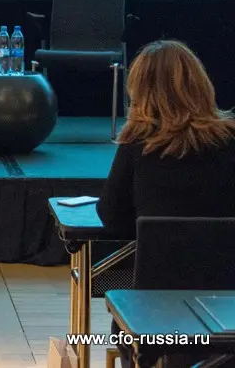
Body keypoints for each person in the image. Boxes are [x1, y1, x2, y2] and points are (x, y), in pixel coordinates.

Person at [97, 40, 235, 368]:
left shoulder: (136, 146)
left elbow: (111, 219)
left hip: (153, 320)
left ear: (140, 92)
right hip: (226, 312)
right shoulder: (231, 142)